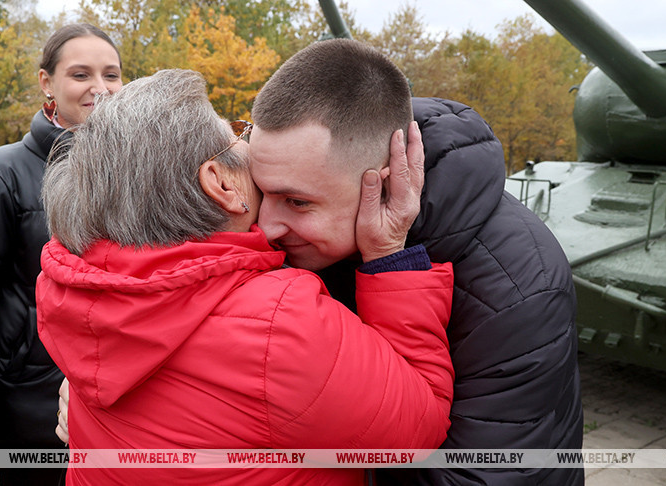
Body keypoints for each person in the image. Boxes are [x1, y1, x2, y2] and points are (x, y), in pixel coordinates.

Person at [35, 68, 454, 485]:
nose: (248, 143)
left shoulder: (82, 285)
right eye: (238, 133)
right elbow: (418, 429)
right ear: (220, 183)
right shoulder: (280, 323)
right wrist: (386, 255)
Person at [249, 39, 584, 485]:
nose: (266, 226)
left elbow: (481, 477)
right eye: (261, 192)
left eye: (296, 201)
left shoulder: (517, 286)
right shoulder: (307, 232)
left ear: (387, 185)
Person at [0, 23, 123, 486]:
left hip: (110, 417)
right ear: (47, 83)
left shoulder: (135, 179)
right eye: (81, 75)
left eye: (112, 75)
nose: (100, 88)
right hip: (20, 423)